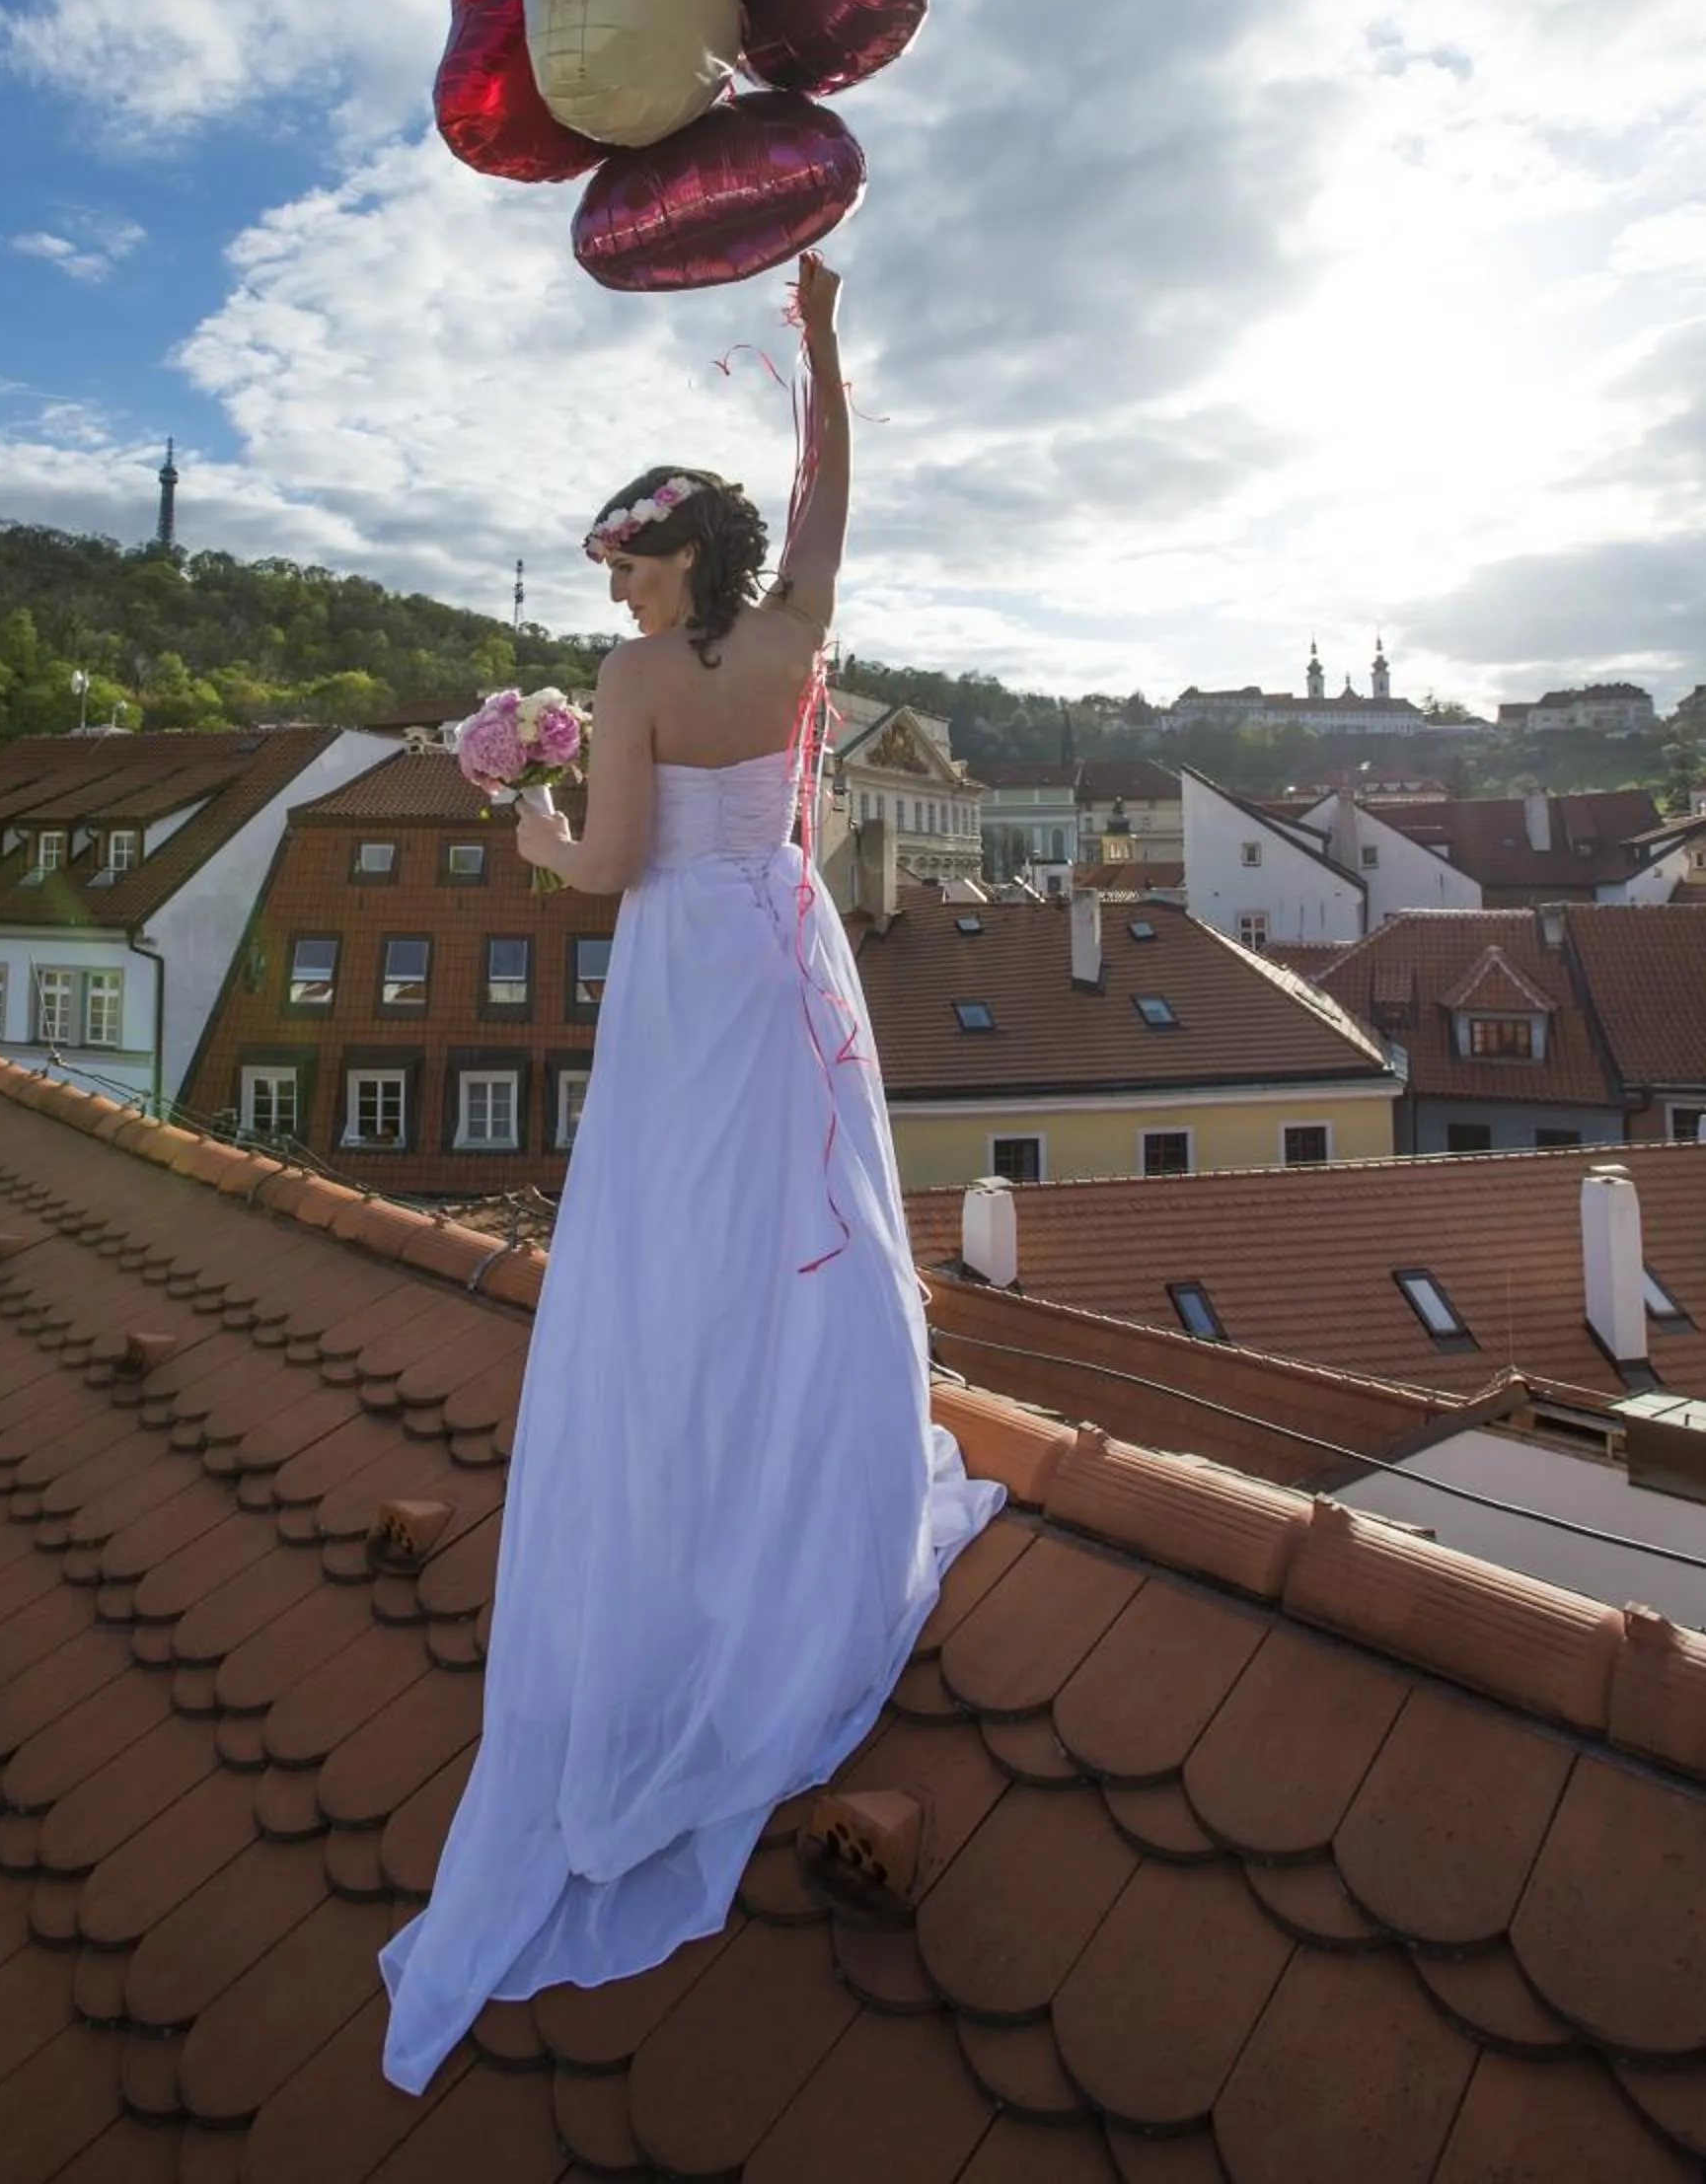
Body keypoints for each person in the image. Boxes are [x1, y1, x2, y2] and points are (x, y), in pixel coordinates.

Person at [378, 253, 1005, 2093]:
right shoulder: (796, 636)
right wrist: (819, 342)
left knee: (672, 1252)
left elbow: (606, 871)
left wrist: (528, 802)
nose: (620, 585)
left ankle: (701, 1530)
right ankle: (815, 1477)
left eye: (628, 557)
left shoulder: (637, 673)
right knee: (802, 1232)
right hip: (791, 954)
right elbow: (829, 502)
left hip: (683, 980)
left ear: (671, 560)